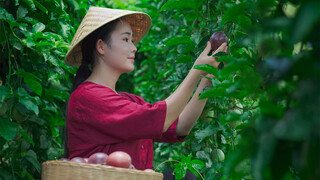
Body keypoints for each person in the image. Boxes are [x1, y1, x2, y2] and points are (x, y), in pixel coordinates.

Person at [64, 6, 227, 179]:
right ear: (101, 46)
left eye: (132, 41)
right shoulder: (87, 97)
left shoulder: (128, 100)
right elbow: (161, 118)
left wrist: (206, 77)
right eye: (126, 40)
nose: (134, 48)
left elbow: (181, 126)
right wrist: (196, 70)